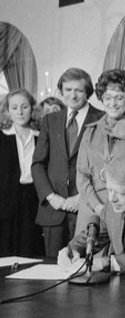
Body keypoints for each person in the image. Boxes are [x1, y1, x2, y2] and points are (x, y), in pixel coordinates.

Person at [32, 68, 104, 258]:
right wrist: (50, 196)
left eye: (78, 90)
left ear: (87, 92)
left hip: (85, 208)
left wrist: (82, 197)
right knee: (52, 269)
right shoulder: (50, 120)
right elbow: (38, 164)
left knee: (82, 267)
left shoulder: (102, 119)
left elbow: (103, 167)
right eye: (68, 89)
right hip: (53, 210)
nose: (73, 95)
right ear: (61, 91)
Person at [76, 69, 125, 235]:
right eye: (108, 98)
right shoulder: (90, 131)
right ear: (101, 99)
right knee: (81, 258)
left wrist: (111, 211)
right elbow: (81, 174)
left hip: (124, 211)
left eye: (119, 97)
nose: (113, 103)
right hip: (90, 210)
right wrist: (97, 207)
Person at [0, 89, 44, 257]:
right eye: (14, 107)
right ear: (7, 111)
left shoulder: (40, 137)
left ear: (32, 110)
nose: (20, 112)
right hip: (6, 201)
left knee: (30, 249)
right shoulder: (2, 137)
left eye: (24, 107)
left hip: (33, 198)